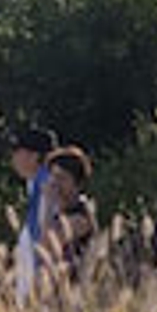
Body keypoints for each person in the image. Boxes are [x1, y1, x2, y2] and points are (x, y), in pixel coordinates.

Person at [6, 126, 58, 299]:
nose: (12, 157)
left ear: (34, 156)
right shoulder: (35, 186)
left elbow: (44, 236)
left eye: (17, 151)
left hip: (41, 292)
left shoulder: (47, 186)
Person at [39, 146, 101, 288]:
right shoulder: (59, 215)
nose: (55, 185)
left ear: (77, 183)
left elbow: (47, 247)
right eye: (53, 177)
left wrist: (48, 205)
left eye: (62, 178)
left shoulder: (82, 215)